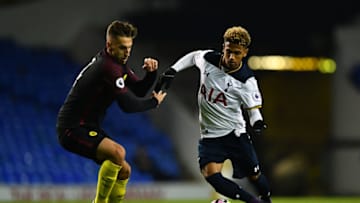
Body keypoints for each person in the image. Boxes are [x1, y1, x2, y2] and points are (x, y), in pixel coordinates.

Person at [155, 26, 272, 203]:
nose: (231, 57)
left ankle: (266, 198)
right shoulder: (209, 59)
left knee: (254, 176)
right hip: (211, 136)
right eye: (228, 51)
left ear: (245, 53)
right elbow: (194, 56)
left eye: (237, 53)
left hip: (235, 135)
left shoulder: (246, 81)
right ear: (223, 47)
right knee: (211, 174)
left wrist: (257, 122)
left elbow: (254, 111)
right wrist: (173, 70)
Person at [56, 20, 167, 203]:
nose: (127, 53)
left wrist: (151, 74)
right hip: (72, 128)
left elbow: (138, 90)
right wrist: (153, 102)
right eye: (123, 48)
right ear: (109, 45)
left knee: (125, 171)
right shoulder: (107, 67)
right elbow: (128, 105)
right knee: (118, 152)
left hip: (88, 126)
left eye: (129, 48)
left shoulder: (117, 64)